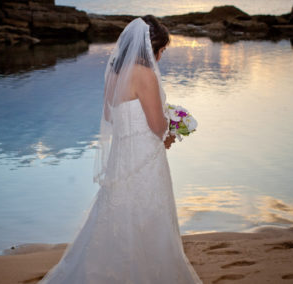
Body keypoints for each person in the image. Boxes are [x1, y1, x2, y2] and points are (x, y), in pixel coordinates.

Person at [38, 15, 203, 284]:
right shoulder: (146, 74)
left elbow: (111, 116)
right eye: (161, 50)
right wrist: (171, 129)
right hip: (145, 159)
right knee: (148, 216)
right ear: (151, 49)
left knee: (115, 215)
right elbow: (157, 126)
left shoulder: (115, 72)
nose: (160, 57)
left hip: (121, 157)